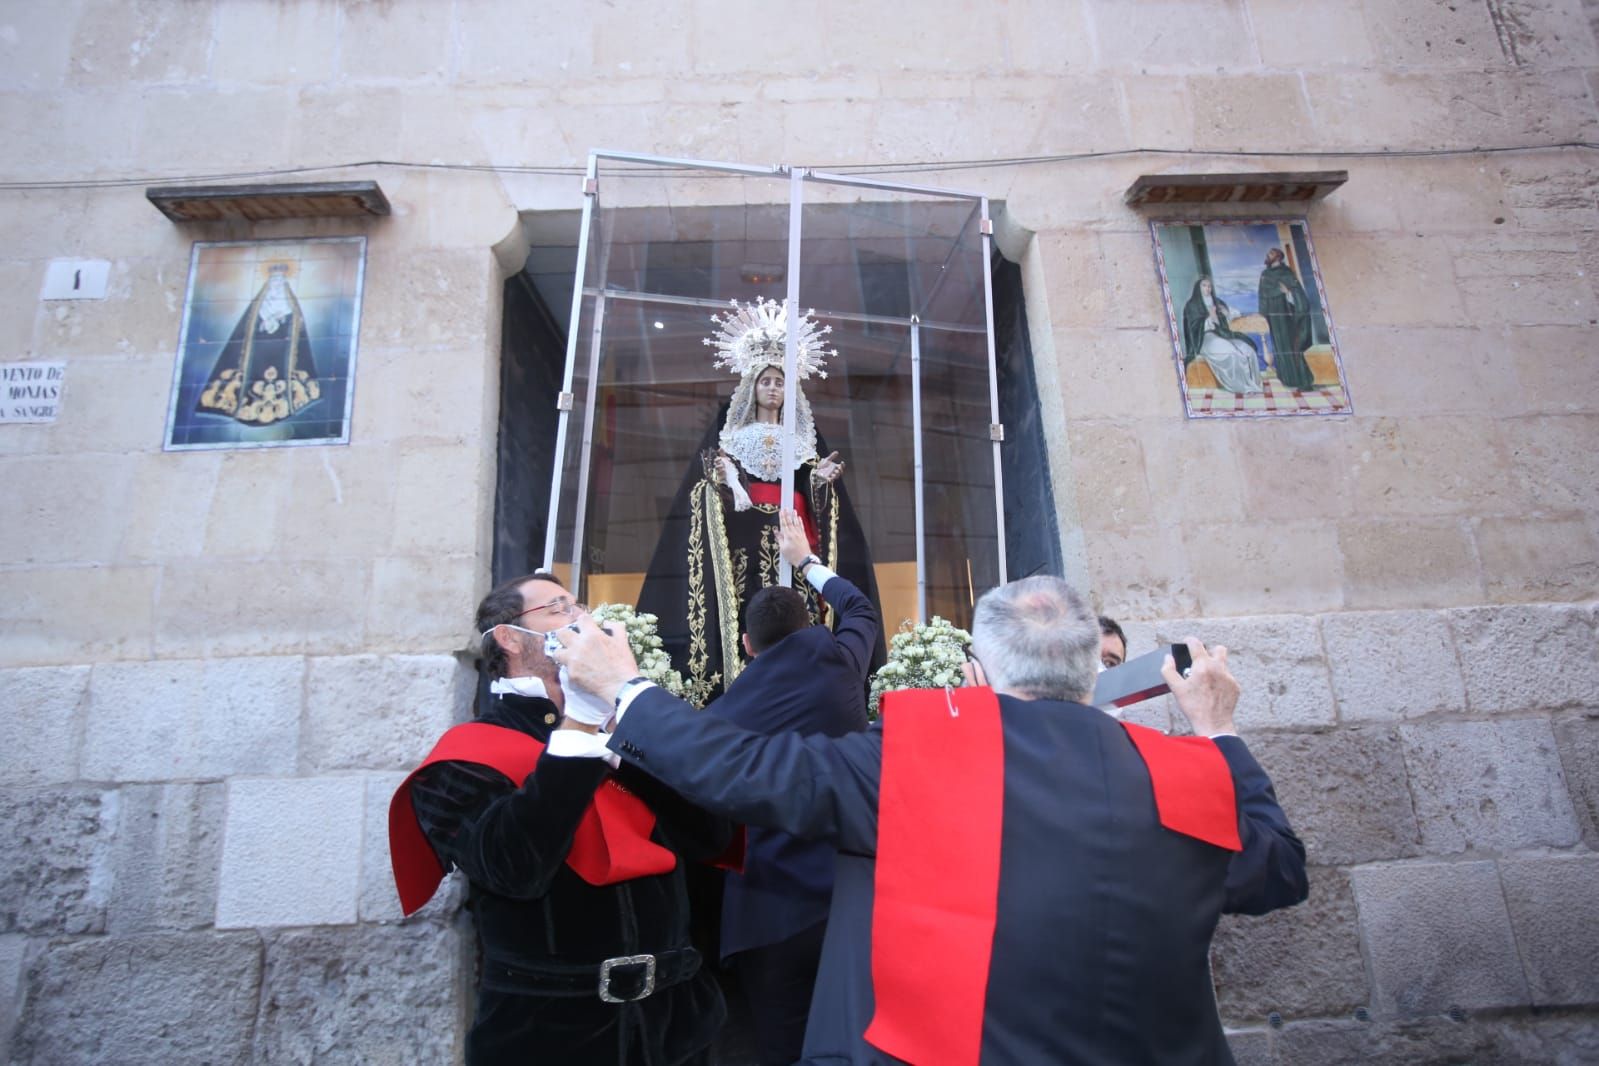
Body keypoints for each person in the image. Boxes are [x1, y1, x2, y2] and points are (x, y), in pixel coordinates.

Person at [550, 575, 1309, 1065]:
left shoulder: (916, 761)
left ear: (981, 665)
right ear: (1093, 667)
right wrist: (1217, 732)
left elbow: (745, 771)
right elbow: (1275, 872)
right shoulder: (1183, 770)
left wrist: (626, 690)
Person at [386, 571, 732, 1066]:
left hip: (678, 1023)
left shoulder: (628, 729)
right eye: (559, 608)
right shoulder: (462, 758)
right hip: (552, 1034)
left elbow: (709, 837)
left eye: (580, 608)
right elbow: (513, 869)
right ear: (507, 636)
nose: (581, 619)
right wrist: (578, 728)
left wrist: (627, 740)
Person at [636, 297, 884, 705]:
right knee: (748, 615)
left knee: (798, 614)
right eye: (766, 381)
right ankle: (747, 683)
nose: (773, 388)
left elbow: (814, 496)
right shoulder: (732, 439)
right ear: (752, 386)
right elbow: (708, 494)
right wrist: (720, 485)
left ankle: (802, 687)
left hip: (793, 538)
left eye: (780, 382)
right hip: (746, 544)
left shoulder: (803, 439)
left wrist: (821, 485)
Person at [710, 509, 877, 1066]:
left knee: (781, 1047)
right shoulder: (837, 658)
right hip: (847, 895)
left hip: (769, 908)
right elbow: (857, 606)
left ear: (747, 646)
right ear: (809, 626)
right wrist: (805, 560)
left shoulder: (725, 713)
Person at [197, 261, 322, 426]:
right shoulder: (260, 302)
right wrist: (265, 321)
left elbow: (296, 323)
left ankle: (287, 404)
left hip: (282, 348)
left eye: (280, 280)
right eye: (274, 280)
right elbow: (249, 323)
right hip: (258, 347)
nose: (277, 284)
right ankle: (245, 403)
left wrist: (282, 319)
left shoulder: (289, 301)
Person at [1181, 276, 1264, 395]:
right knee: (1232, 352)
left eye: (1209, 286)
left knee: (1248, 350)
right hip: (1204, 338)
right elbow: (1192, 328)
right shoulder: (1192, 305)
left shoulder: (1217, 301)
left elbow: (1233, 314)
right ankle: (1243, 387)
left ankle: (1254, 384)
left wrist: (1226, 313)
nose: (1207, 288)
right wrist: (1209, 317)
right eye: (1204, 285)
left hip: (1222, 334)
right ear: (1198, 287)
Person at [1257, 248, 1317, 390]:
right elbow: (1262, 295)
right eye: (1268, 253)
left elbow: (1297, 293)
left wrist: (1288, 293)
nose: (1268, 255)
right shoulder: (1265, 274)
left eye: (1271, 254)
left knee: (1293, 347)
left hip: (1287, 316)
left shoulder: (1287, 272)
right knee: (1280, 348)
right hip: (1274, 318)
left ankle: (1303, 381)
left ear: (1278, 257)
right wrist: (1263, 313)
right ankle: (1288, 379)